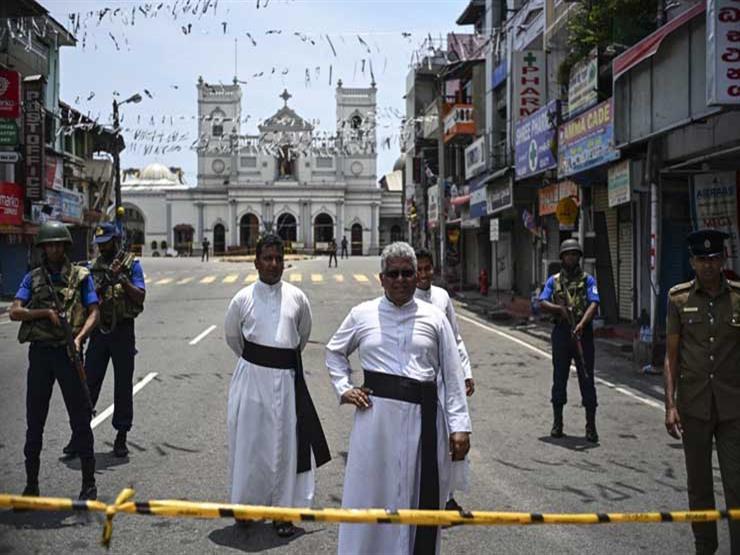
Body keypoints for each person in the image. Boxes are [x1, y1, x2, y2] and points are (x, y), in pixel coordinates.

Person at [326, 241, 471, 555]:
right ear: (382, 279)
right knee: (371, 493)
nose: (402, 280)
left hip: (425, 421)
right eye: (394, 274)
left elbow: (453, 373)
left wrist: (460, 426)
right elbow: (334, 352)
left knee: (419, 494)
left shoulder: (434, 318)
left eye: (409, 273)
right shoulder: (362, 314)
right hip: (375, 423)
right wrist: (344, 387)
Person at [224, 233, 330, 537]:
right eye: (267, 258)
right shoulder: (242, 298)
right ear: (256, 262)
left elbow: (302, 334)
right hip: (252, 380)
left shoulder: (297, 297)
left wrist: (278, 362)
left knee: (286, 446)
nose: (273, 264)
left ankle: (284, 513)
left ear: (285, 262)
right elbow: (234, 338)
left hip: (286, 382)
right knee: (251, 444)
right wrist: (259, 362)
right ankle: (246, 508)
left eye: (278, 259)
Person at [9, 221, 100, 500]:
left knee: (80, 420)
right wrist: (45, 314)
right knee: (35, 421)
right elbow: (15, 311)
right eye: (49, 245)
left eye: (59, 245)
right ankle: (31, 485)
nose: (54, 249)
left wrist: (80, 337)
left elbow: (93, 311)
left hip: (68, 353)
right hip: (41, 355)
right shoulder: (33, 278)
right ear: (43, 249)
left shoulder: (81, 276)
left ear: (66, 247)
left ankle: (88, 484)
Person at [664, 229, 740, 555]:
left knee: (736, 486)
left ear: (723, 259)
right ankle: (704, 548)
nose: (708, 266)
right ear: (692, 262)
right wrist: (670, 405)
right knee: (699, 488)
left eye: (713, 259)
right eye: (701, 260)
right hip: (693, 407)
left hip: (733, 408)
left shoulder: (738, 296)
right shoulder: (678, 299)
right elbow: (671, 357)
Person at [65, 223, 146, 459]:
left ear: (117, 241)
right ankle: (78, 436)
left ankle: (121, 436)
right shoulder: (93, 268)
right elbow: (87, 299)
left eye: (107, 243)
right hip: (99, 332)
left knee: (122, 386)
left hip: (122, 332)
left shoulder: (132, 265)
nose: (102, 248)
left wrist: (122, 280)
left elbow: (140, 297)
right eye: (99, 244)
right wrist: (102, 286)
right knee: (88, 384)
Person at [414, 248, 474, 512]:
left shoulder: (442, 297)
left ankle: (447, 497)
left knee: (450, 438)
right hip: (418, 381)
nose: (424, 274)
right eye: (419, 269)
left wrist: (465, 372)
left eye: (428, 268)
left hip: (445, 379)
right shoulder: (405, 299)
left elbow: (455, 338)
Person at [538, 238, 600, 443]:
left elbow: (594, 303)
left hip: (583, 334)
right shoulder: (554, 280)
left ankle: (591, 426)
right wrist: (560, 310)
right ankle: (557, 424)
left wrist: (582, 323)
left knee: (587, 377)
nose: (571, 257)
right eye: (568, 254)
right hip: (562, 334)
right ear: (562, 257)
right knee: (559, 377)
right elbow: (542, 302)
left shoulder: (588, 280)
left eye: (575, 254)